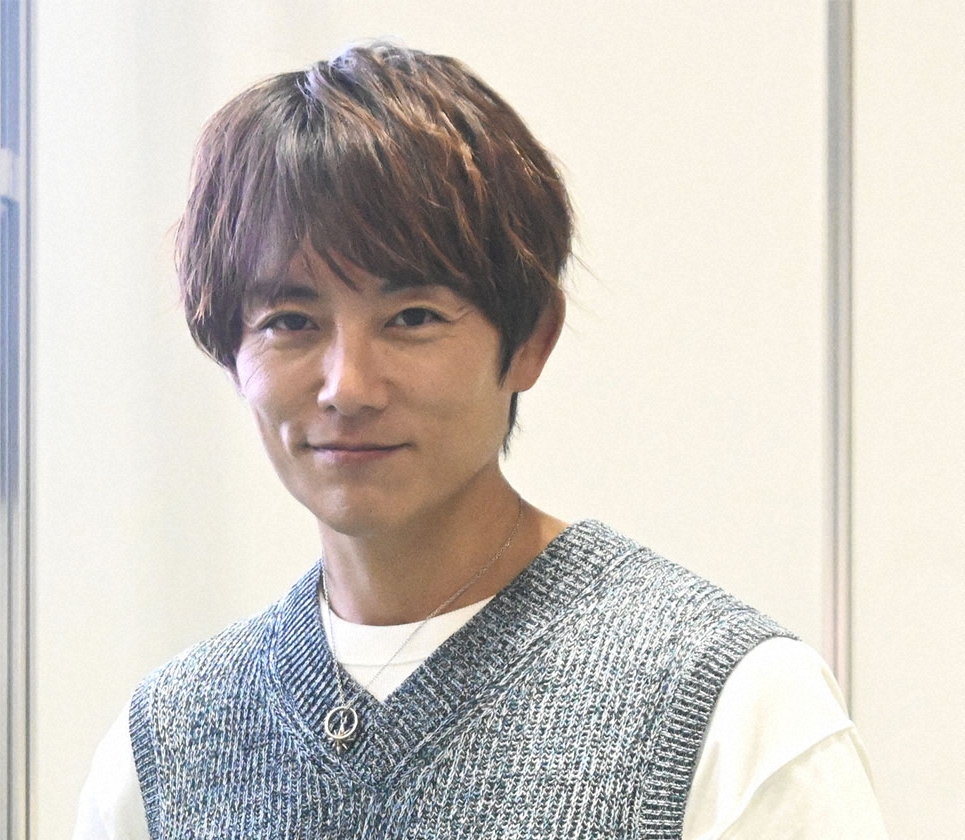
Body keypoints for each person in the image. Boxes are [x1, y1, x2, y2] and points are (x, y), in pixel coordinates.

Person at [73, 43, 887, 839]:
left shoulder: (732, 707)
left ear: (531, 340)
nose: (348, 386)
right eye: (290, 322)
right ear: (231, 352)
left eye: (412, 317)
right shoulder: (165, 749)